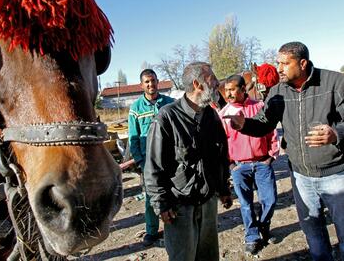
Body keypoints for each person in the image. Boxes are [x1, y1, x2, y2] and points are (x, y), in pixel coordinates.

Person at [223, 41, 344, 261]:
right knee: (313, 232)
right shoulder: (278, 91)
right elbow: (265, 122)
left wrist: (336, 134)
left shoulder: (335, 82)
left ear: (303, 63)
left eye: (284, 63)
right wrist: (245, 124)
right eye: (278, 62)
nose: (278, 68)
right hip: (300, 176)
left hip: (335, 174)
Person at [144, 62, 233, 261]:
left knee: (209, 256)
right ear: (197, 84)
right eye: (212, 78)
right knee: (183, 257)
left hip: (208, 202)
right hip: (179, 208)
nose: (217, 82)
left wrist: (223, 188)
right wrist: (161, 204)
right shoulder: (167, 117)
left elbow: (220, 156)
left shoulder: (211, 115)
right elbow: (153, 167)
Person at [219, 74, 279, 255]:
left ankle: (264, 227)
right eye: (226, 90)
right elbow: (222, 143)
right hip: (239, 167)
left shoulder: (260, 107)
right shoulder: (224, 115)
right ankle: (252, 236)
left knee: (269, 200)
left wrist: (271, 157)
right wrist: (230, 165)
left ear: (243, 89)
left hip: (262, 163)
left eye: (232, 89)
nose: (228, 93)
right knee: (245, 204)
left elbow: (272, 133)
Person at [128, 69, 174, 246]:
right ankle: (152, 231)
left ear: (157, 82)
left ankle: (172, 227)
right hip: (148, 163)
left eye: (153, 80)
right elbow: (133, 137)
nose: (150, 84)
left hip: (170, 160)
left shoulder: (169, 103)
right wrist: (140, 161)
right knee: (150, 199)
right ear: (142, 85)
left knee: (171, 194)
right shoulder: (136, 108)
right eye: (147, 82)